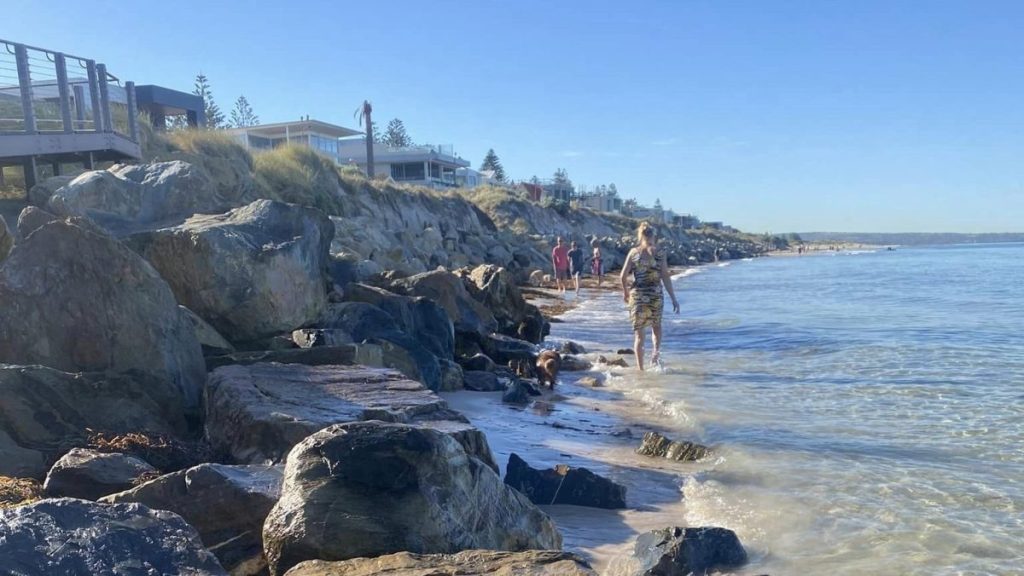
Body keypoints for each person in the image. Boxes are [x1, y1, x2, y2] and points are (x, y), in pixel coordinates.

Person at [620, 222, 679, 370]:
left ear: (640, 236)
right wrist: (673, 298)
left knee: (639, 336)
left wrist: (626, 292)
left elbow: (622, 276)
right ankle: (655, 356)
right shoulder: (660, 253)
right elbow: (665, 276)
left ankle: (641, 369)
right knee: (656, 327)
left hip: (637, 296)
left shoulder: (633, 252)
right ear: (654, 236)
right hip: (655, 295)